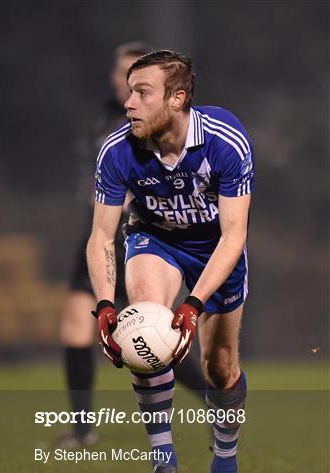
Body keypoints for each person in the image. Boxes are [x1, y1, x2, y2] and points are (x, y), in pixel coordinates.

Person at [87, 50, 254, 473]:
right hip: (153, 239)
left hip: (215, 248)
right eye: (128, 91)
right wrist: (105, 305)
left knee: (220, 366)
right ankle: (164, 464)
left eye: (143, 92)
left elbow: (234, 232)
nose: (129, 103)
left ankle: (225, 467)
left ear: (177, 97)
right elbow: (101, 235)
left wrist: (194, 303)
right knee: (146, 326)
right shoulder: (117, 151)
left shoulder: (225, 141)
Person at [60, 44, 207, 448]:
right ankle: (83, 427)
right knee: (76, 321)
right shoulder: (104, 121)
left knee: (154, 332)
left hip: (141, 235)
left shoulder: (157, 123)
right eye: (125, 77)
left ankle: (213, 401)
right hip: (100, 231)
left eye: (140, 85)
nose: (132, 96)